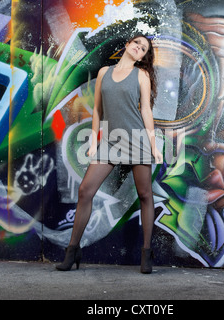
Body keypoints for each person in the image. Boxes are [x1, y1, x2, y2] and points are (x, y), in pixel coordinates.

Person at [56, 34, 163, 274]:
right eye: (137, 43)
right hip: (111, 141)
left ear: (144, 56)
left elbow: (145, 110)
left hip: (137, 139)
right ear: (127, 45)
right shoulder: (104, 72)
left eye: (144, 49)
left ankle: (147, 253)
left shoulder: (142, 75)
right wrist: (94, 140)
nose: (139, 48)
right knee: (85, 191)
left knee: (145, 194)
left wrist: (154, 145)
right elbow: (97, 109)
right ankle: (73, 250)